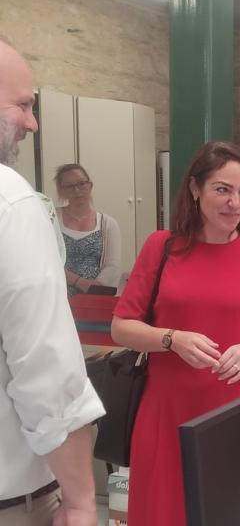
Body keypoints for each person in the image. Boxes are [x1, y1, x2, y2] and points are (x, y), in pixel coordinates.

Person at [110, 141, 240, 526]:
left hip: (231, 412)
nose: (235, 203)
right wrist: (171, 339)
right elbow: (121, 327)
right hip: (166, 410)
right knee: (164, 512)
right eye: (223, 190)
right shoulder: (162, 247)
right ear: (195, 188)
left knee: (226, 510)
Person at [0, 39, 105, 526]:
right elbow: (46, 370)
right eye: (22, 105)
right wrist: (81, 499)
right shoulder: (12, 202)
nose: (32, 123)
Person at [54, 163, 121, 296]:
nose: (77, 190)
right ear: (61, 191)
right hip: (58, 294)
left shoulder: (108, 224)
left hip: (95, 296)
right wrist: (79, 282)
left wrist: (95, 288)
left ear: (90, 186)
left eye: (81, 183)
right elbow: (47, 262)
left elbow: (112, 266)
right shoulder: (51, 219)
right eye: (69, 186)